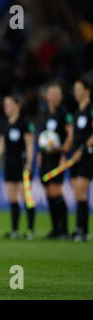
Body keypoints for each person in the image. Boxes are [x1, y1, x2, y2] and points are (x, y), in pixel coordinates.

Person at [0, 95, 36, 240]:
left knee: (26, 197)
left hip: (22, 163)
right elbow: (1, 145)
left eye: (9, 104)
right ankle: (15, 230)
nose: (6, 107)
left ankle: (30, 230)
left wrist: (29, 162)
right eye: (5, 104)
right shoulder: (5, 125)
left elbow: (30, 144)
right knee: (12, 197)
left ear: (17, 106)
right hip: (9, 163)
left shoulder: (24, 123)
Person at [37, 82, 73, 239]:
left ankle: (64, 230)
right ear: (47, 97)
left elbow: (70, 133)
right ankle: (55, 229)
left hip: (57, 157)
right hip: (45, 158)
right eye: (51, 94)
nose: (53, 97)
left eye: (56, 94)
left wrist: (65, 150)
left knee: (57, 191)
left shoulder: (64, 113)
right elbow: (42, 136)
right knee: (49, 193)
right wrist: (39, 154)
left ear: (60, 97)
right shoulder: (45, 114)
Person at [69, 77, 93, 242]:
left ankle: (83, 230)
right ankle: (79, 227)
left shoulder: (90, 109)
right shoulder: (77, 112)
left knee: (82, 193)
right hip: (75, 156)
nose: (76, 92)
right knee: (77, 193)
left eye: (79, 89)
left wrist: (82, 149)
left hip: (86, 156)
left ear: (87, 91)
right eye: (75, 89)